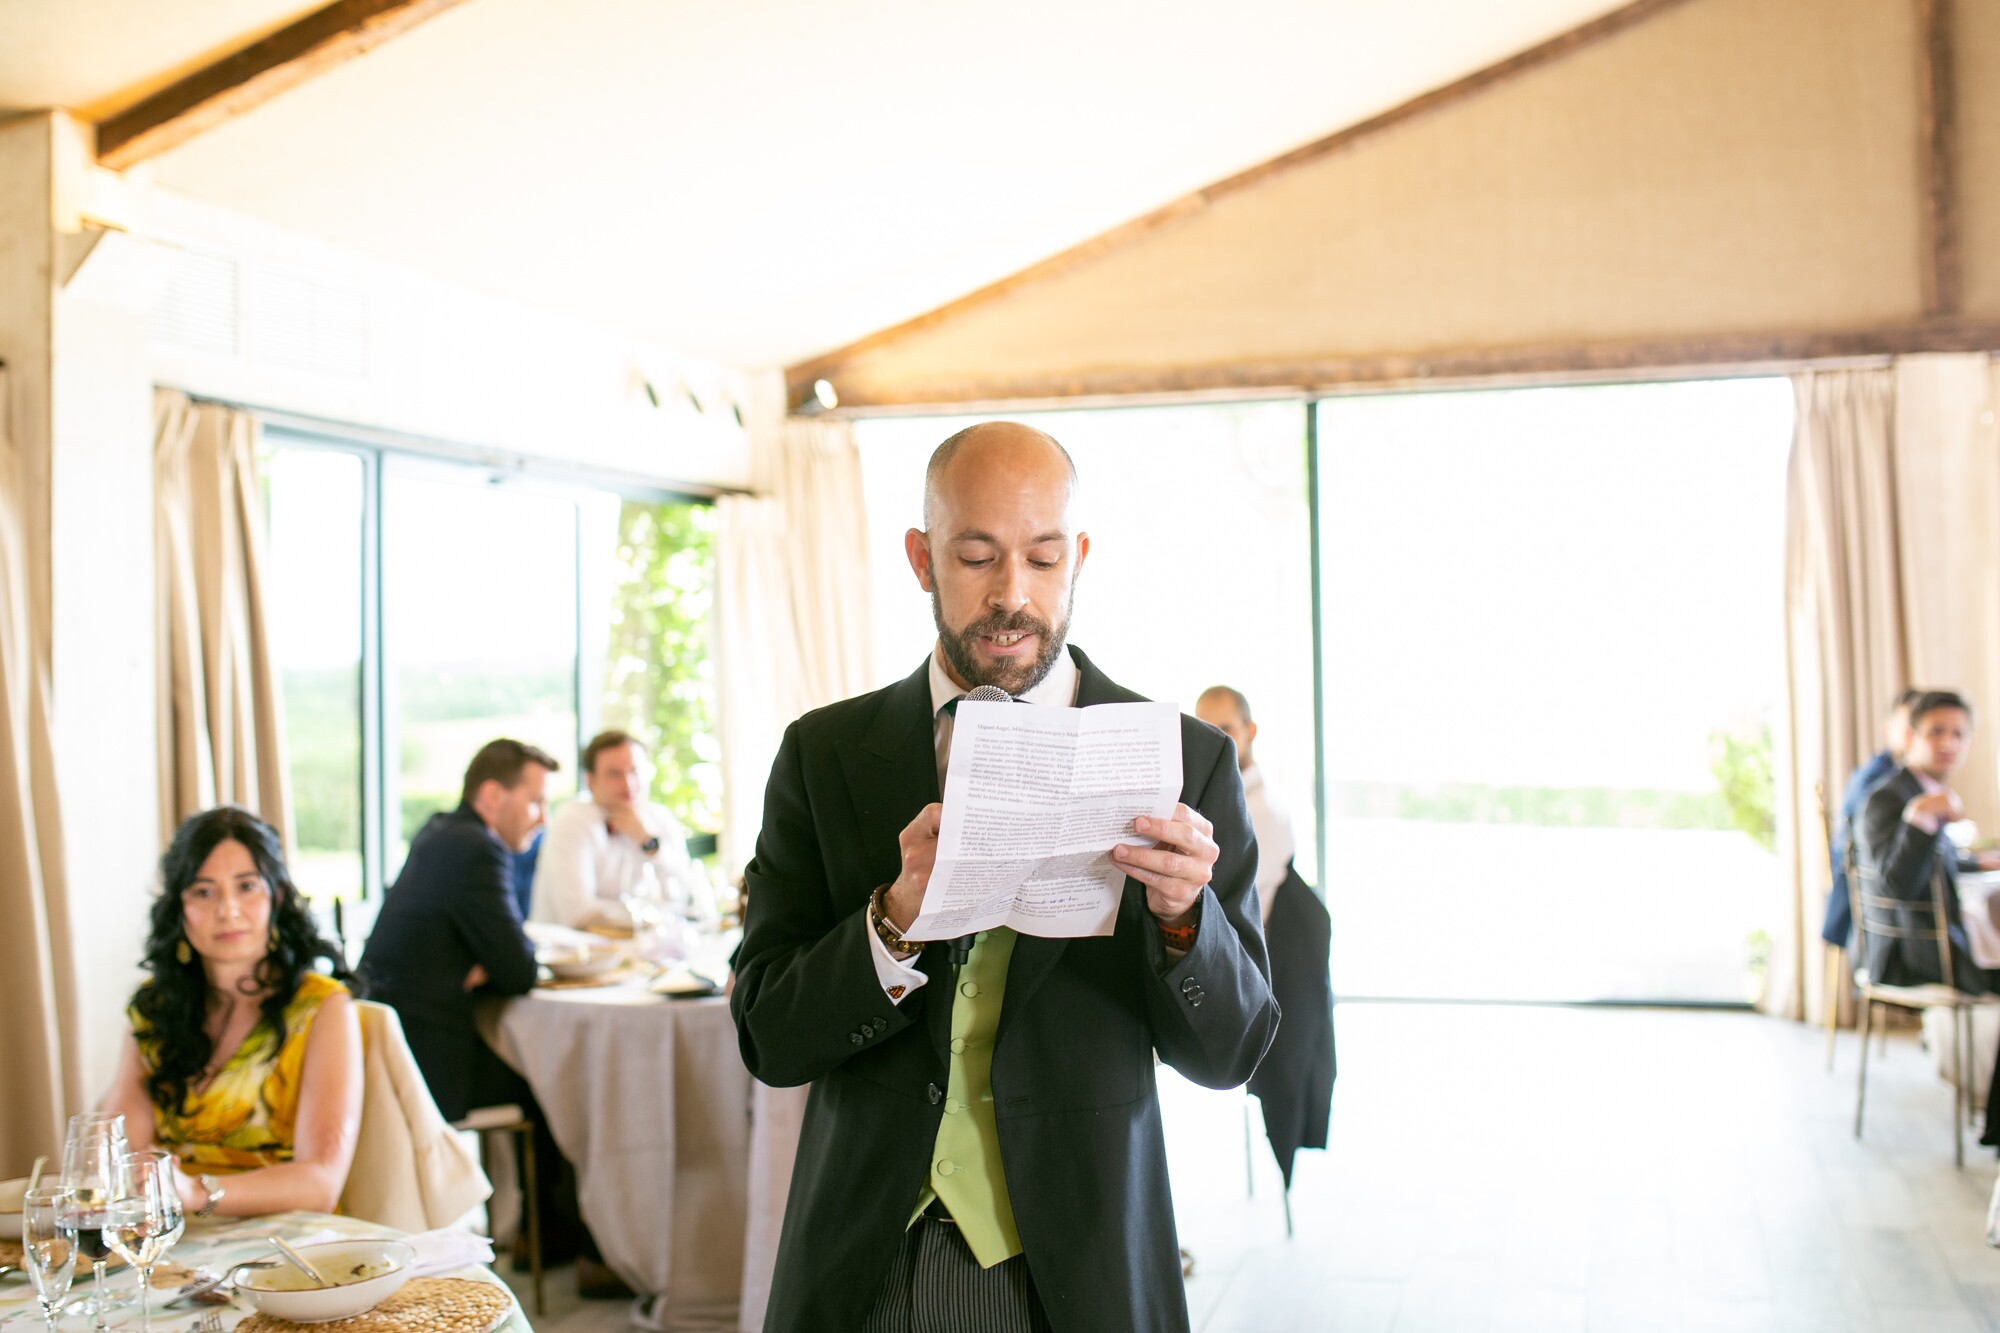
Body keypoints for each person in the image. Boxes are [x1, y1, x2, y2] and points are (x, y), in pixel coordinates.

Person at [732, 421, 1280, 1333]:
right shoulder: (824, 756)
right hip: (862, 1257)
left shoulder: (1185, 760)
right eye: (977, 556)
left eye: (1044, 557)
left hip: (1085, 1258)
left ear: (1081, 559)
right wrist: (893, 918)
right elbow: (768, 1037)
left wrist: (1185, 918)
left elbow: (1231, 1052)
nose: (1012, 596)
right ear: (921, 557)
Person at [101, 806, 362, 1218]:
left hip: (288, 1249)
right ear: (178, 907)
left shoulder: (322, 1007)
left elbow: (322, 1182)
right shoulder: (156, 1006)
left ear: (275, 896)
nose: (228, 910)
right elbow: (119, 1148)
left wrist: (197, 1193)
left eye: (246, 887)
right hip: (169, 1243)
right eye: (203, 891)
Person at [359, 737, 553, 1121]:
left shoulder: (439, 830)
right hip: (428, 1063)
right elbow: (519, 971)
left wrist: (484, 965)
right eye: (535, 801)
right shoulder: (478, 849)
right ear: (493, 794)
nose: (543, 818)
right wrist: (494, 964)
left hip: (388, 1047)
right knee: (555, 1082)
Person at [530, 729, 711, 930]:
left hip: (646, 953)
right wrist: (651, 917)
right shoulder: (572, 820)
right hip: (570, 956)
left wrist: (649, 843)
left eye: (634, 771)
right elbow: (578, 914)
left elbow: (690, 898)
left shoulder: (660, 818)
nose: (628, 783)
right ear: (591, 781)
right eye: (614, 774)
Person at [1820, 687, 1922, 949]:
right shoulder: (1880, 784)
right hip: (1869, 906)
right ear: (1889, 729)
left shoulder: (1897, 775)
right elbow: (1885, 867)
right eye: (1909, 726)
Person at [1194, 685, 1295, 926]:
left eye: (1226, 730)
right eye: (1206, 731)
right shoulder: (1216, 800)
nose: (1217, 743)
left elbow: (1223, 903)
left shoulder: (1263, 812)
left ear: (1251, 731)